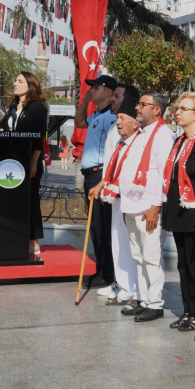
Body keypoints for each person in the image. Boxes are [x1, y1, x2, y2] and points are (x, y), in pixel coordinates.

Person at [118, 91, 174, 322]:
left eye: (143, 104)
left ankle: (156, 303)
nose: (138, 108)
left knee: (151, 257)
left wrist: (155, 207)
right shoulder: (141, 134)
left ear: (157, 110)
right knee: (138, 257)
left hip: (148, 208)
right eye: (138, 104)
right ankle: (144, 299)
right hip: (132, 206)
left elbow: (163, 175)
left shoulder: (163, 136)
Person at [88, 85, 141, 308]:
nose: (113, 100)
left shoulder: (137, 136)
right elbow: (111, 162)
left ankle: (135, 290)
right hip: (112, 192)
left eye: (117, 96)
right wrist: (102, 184)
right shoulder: (116, 129)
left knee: (131, 248)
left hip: (129, 196)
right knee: (117, 243)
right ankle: (122, 285)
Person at [162, 92, 195, 332]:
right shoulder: (179, 141)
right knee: (182, 264)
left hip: (194, 213)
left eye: (183, 108)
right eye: (177, 108)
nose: (177, 111)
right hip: (178, 209)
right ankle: (187, 310)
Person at [74, 74, 118, 290]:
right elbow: (79, 122)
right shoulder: (97, 114)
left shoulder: (111, 117)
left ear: (108, 93)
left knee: (102, 226)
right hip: (90, 174)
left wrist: (104, 180)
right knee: (95, 226)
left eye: (96, 87)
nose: (92, 90)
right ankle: (102, 268)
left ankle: (108, 273)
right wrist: (84, 101)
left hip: (100, 174)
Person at [7, 71, 48, 256]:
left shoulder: (37, 108)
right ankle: (14, 237)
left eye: (20, 81)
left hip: (29, 161)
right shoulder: (13, 107)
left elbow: (39, 137)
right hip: (10, 162)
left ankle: (33, 240)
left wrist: (33, 162)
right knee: (13, 200)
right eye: (15, 80)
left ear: (30, 86)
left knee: (30, 200)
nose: (15, 83)